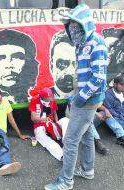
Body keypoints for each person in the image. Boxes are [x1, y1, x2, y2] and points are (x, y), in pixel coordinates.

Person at [45, 4, 108, 190]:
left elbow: (98, 77)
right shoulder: (82, 44)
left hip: (87, 101)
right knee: (87, 136)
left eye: (75, 23)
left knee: (70, 141)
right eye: (70, 23)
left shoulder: (96, 44)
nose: (71, 27)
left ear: (84, 24)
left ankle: (66, 181)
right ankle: (88, 170)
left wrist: (80, 98)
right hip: (83, 99)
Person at [0, 29, 40, 104]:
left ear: (29, 63)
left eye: (18, 57)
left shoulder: (34, 101)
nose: (9, 65)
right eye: (0, 58)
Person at [29, 87, 69, 161]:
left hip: (52, 122)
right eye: (47, 98)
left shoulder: (52, 99)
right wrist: (44, 119)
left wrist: (57, 123)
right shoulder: (35, 100)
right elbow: (33, 118)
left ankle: (67, 145)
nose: (50, 99)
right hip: (39, 124)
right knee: (41, 137)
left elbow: (55, 113)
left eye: (50, 97)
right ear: (42, 97)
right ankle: (61, 155)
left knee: (66, 120)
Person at [50, 30, 76, 99]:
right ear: (51, 66)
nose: (70, 72)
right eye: (62, 64)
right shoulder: (45, 97)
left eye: (76, 64)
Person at [103, 76, 124, 145]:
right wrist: (119, 116)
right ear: (115, 84)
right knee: (107, 115)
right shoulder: (108, 94)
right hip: (116, 118)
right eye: (121, 84)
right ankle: (121, 137)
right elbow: (109, 109)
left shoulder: (123, 93)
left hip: (122, 117)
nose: (123, 86)